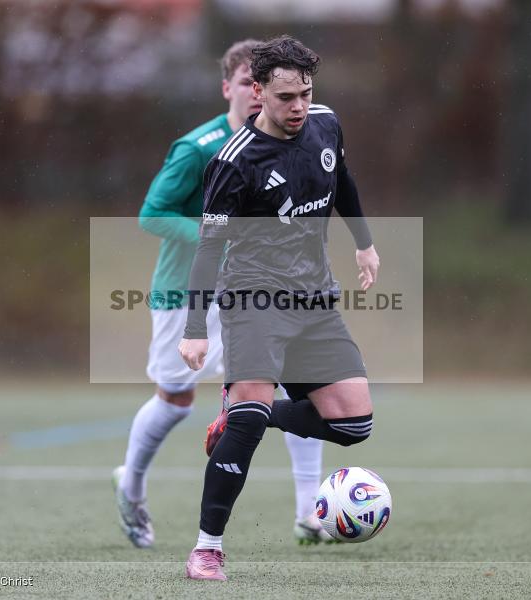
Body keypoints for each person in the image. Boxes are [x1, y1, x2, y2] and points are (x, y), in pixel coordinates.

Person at [112, 39, 328, 550]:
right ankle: (131, 487)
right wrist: (217, 238)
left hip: (257, 294)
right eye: (249, 85)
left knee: (294, 387)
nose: (260, 96)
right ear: (230, 87)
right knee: (175, 401)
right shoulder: (198, 148)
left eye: (267, 86)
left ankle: (307, 514)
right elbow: (152, 215)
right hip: (186, 295)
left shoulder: (287, 142)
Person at [179, 35, 381, 582]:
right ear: (258, 92)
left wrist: (363, 242)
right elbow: (209, 247)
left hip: (314, 298)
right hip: (252, 299)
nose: (297, 107)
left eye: (305, 94)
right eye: (286, 96)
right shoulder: (233, 162)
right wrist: (196, 328)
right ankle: (207, 549)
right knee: (249, 416)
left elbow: (342, 180)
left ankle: (244, 414)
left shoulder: (325, 123)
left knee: (355, 422)